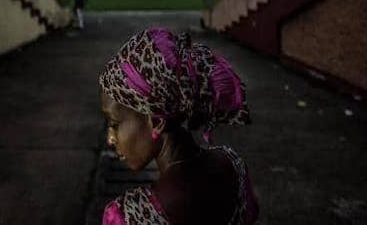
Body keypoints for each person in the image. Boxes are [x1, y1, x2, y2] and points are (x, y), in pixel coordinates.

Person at [99, 28, 259, 224]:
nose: (110, 138)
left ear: (156, 122)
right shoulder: (234, 167)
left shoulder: (130, 217)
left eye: (114, 124)